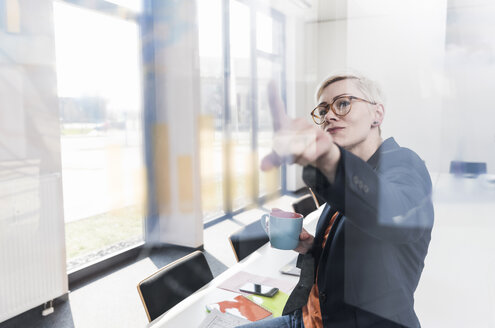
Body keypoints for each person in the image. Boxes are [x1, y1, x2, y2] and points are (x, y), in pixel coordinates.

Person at [238, 73, 434, 328]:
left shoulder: (405, 164)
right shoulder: (347, 173)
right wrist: (313, 247)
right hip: (306, 318)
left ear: (378, 114)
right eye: (322, 110)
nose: (329, 116)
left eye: (342, 104)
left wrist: (330, 158)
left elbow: (394, 217)